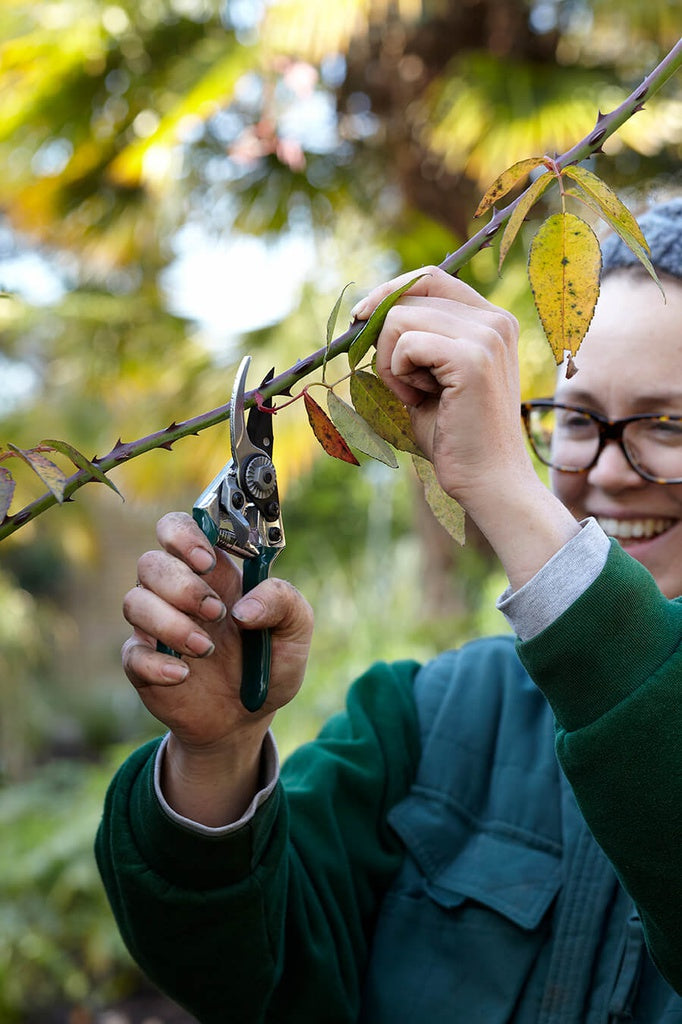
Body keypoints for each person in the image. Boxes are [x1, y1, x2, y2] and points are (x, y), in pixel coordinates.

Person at [96, 198, 682, 1024]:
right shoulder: (429, 718)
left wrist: (505, 489)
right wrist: (217, 757)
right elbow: (247, 977)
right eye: (577, 419)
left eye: (667, 425)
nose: (609, 471)